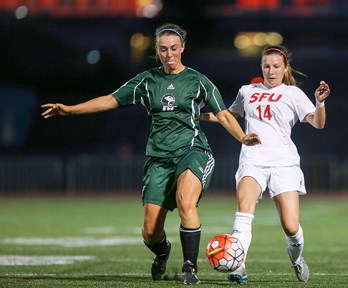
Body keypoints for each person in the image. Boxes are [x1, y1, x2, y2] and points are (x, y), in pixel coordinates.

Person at [41, 23, 260, 285]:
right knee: (149, 231)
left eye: (174, 49)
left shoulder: (198, 81)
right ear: (157, 50)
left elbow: (223, 113)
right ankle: (162, 251)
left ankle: (190, 268)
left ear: (182, 49)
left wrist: (243, 137)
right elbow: (111, 100)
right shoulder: (146, 81)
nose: (169, 55)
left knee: (185, 202)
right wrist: (70, 110)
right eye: (164, 50)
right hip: (158, 158)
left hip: (192, 150)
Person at [200, 45, 330, 284]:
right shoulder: (247, 91)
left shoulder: (293, 94)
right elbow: (227, 116)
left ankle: (297, 258)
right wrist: (197, 116)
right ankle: (238, 266)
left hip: (284, 163)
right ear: (261, 67)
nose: (271, 71)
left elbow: (318, 124)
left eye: (276, 66)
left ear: (285, 68)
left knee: (291, 227)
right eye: (267, 66)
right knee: (244, 209)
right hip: (253, 159)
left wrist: (319, 103)